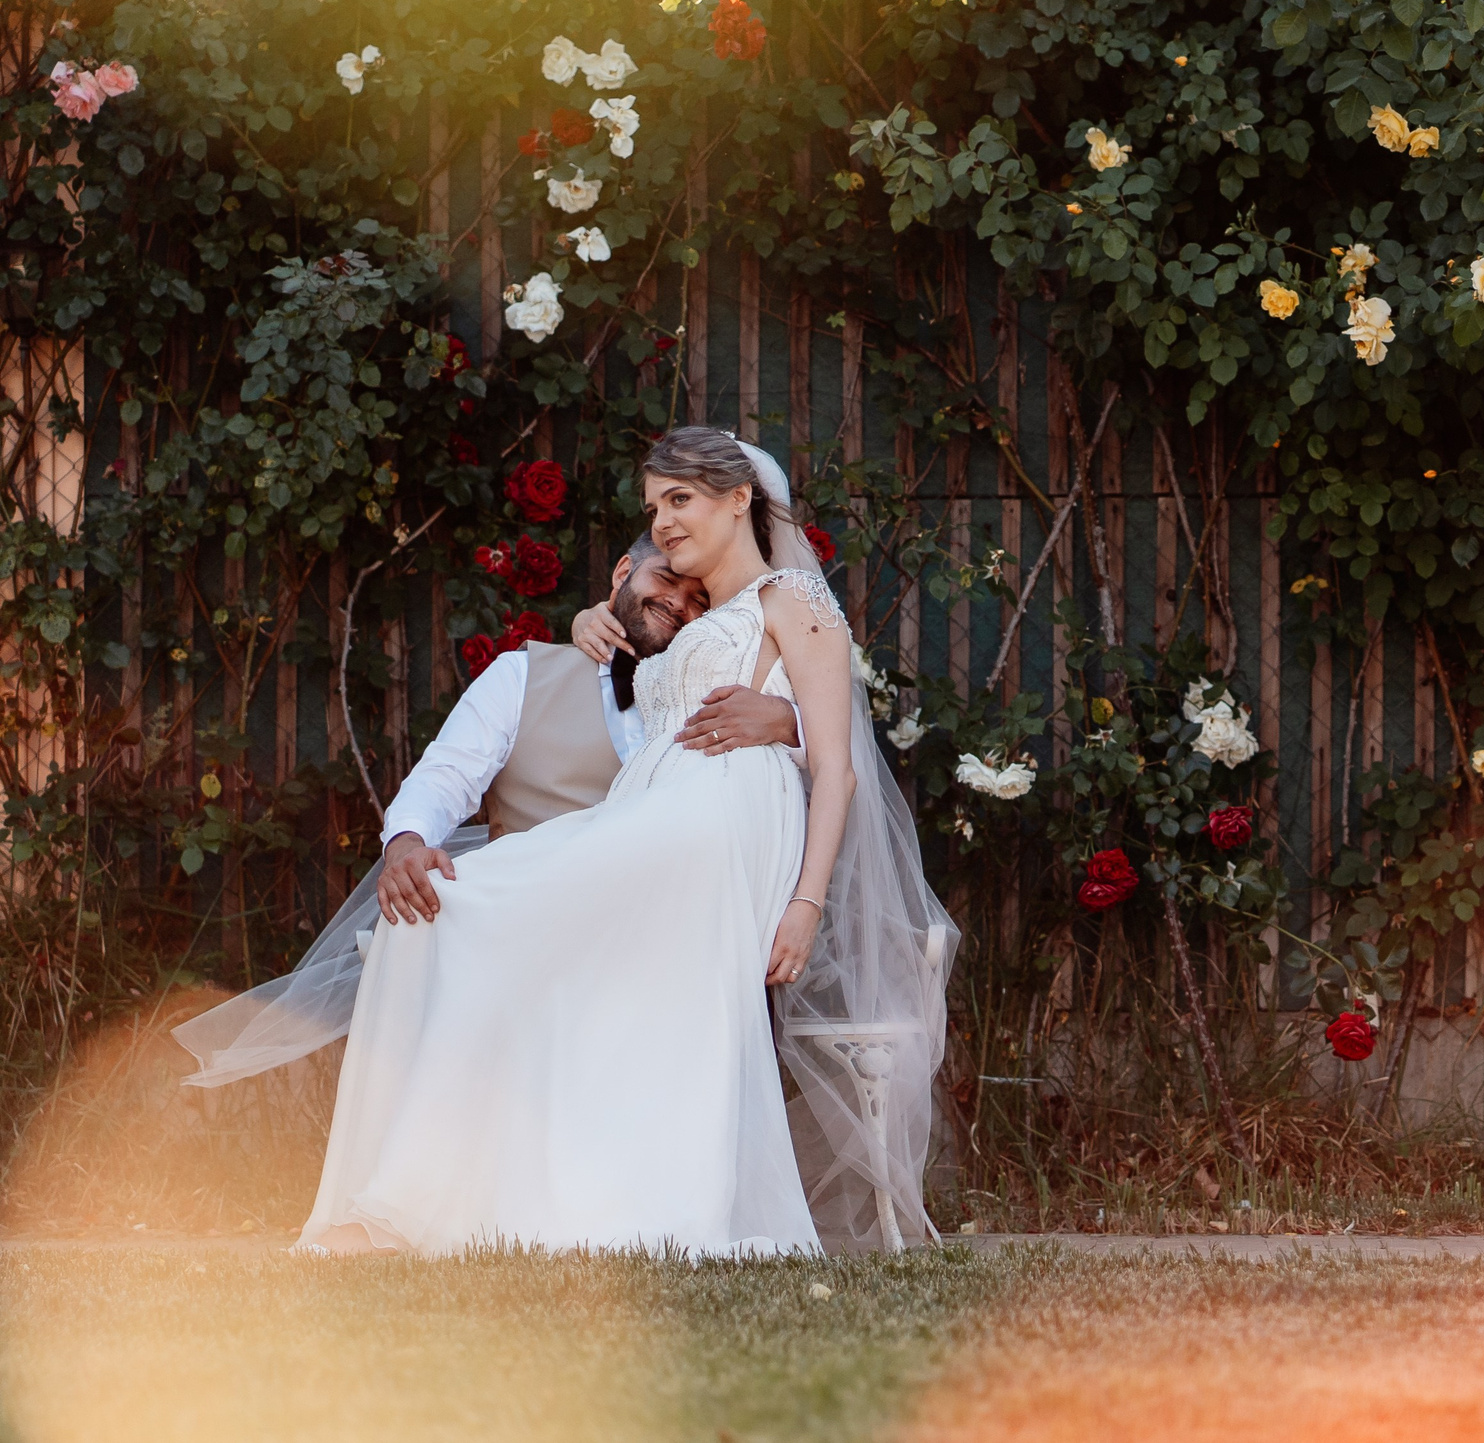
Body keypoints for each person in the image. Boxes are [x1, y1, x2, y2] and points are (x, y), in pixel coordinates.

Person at [206, 429, 953, 1256]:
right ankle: (437, 1206)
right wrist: (596, 616)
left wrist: (804, 895)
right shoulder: (690, 614)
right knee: (449, 910)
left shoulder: (793, 598)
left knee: (476, 903)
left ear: (741, 497)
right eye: (654, 507)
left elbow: (839, 766)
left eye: (680, 499)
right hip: (654, 812)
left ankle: (414, 1208)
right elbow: (659, 681)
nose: (664, 520)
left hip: (716, 820)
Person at [173, 534, 804, 1082]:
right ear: (622, 573)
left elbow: (791, 781)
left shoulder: (722, 701)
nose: (679, 604)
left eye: (700, 601)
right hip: (529, 945)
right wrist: (407, 843)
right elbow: (444, 776)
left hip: (657, 957)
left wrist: (787, 721)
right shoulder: (522, 676)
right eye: (666, 579)